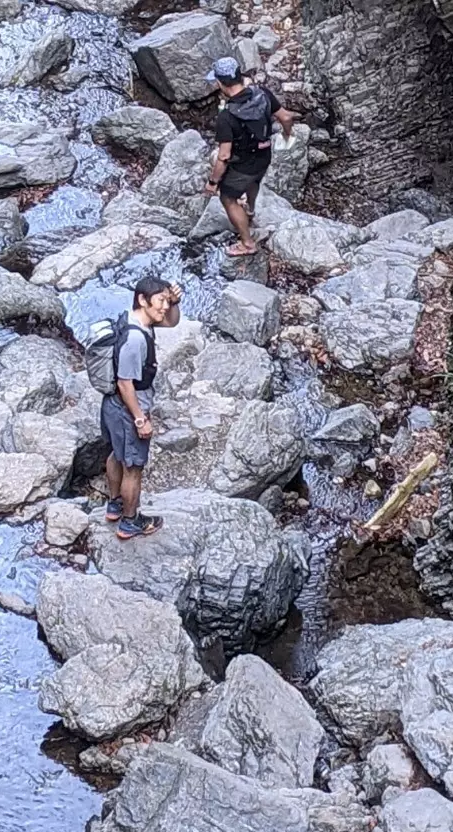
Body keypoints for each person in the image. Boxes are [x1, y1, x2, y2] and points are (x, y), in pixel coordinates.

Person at [100, 277, 181, 539]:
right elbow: (125, 384)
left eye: (167, 300)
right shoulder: (135, 339)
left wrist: (176, 302)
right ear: (143, 300)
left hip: (111, 405)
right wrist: (139, 419)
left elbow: (172, 322)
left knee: (117, 455)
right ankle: (130, 521)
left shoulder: (134, 319)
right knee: (133, 468)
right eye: (161, 301)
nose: (165, 307)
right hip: (127, 407)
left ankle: (115, 505)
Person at [203, 56, 296, 257]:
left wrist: (213, 182)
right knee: (254, 181)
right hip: (264, 157)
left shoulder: (226, 117)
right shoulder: (262, 94)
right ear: (239, 76)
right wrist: (287, 136)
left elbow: (224, 156)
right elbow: (286, 117)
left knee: (228, 198)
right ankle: (250, 211)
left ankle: (247, 243)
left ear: (220, 83)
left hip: (242, 166)